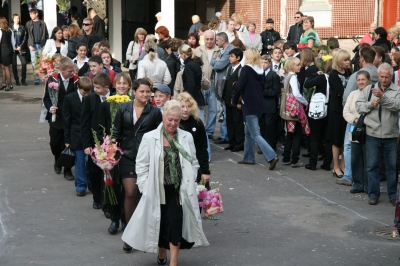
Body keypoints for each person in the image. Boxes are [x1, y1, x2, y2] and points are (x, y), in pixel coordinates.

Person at [121, 100, 209, 264]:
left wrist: (192, 177)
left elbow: (193, 161)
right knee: (160, 223)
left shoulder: (186, 137)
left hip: (178, 190)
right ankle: (162, 252)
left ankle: (173, 262)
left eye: (176, 120)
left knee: (175, 222)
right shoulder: (150, 137)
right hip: (156, 189)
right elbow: (141, 165)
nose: (173, 123)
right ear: (163, 117)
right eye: (170, 119)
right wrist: (144, 186)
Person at [112, 78, 162, 252]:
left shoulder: (155, 112)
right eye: (142, 91)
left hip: (147, 157)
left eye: (148, 92)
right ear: (134, 92)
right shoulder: (123, 108)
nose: (145, 95)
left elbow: (159, 136)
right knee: (131, 192)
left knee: (142, 194)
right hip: (127, 155)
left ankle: (140, 230)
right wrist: (109, 153)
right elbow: (116, 133)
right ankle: (129, 233)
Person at [356, 63, 400, 206]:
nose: (384, 79)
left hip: (390, 134)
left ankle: (393, 195)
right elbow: (359, 106)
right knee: (372, 165)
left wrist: (382, 97)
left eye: (387, 77)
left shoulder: (397, 90)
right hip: (372, 133)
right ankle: (373, 194)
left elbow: (396, 106)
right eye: (381, 76)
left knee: (391, 167)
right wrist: (370, 104)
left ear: (391, 76)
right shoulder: (369, 89)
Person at [231, 48, 279, 169]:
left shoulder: (246, 69)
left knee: (255, 133)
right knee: (248, 132)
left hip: (249, 104)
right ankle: (248, 158)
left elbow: (239, 86)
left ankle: (272, 155)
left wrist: (234, 99)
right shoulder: (261, 70)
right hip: (259, 103)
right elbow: (262, 86)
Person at [97, 72, 131, 235]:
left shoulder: (133, 103)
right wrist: (102, 149)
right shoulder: (106, 104)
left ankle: (125, 219)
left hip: (128, 151)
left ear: (130, 86)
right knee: (112, 185)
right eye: (119, 83)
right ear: (114, 85)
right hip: (110, 152)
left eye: (125, 83)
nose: (122, 86)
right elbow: (99, 128)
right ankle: (114, 219)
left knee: (127, 188)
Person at [81, 72, 115, 217]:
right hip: (94, 141)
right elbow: (84, 122)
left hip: (110, 141)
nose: (94, 90)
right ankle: (97, 198)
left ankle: (107, 201)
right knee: (94, 172)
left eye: (97, 87)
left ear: (106, 87)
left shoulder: (114, 98)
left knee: (108, 173)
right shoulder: (90, 99)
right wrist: (86, 144)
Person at [43, 57, 77, 181]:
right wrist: (50, 107)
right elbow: (46, 98)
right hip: (56, 117)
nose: (72, 73)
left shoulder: (76, 81)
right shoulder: (52, 80)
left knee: (68, 144)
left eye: (73, 71)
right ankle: (57, 160)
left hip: (71, 118)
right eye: (69, 71)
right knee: (55, 143)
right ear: (62, 70)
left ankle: (67, 169)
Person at [62, 76, 91, 196]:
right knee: (79, 163)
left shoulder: (91, 97)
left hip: (89, 135)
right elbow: (66, 120)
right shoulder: (69, 98)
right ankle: (80, 186)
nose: (86, 95)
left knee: (90, 162)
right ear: (78, 88)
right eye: (84, 92)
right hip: (76, 135)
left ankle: (91, 184)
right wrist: (67, 139)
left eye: (88, 92)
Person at [304, 59, 333, 171]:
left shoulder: (322, 77)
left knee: (315, 137)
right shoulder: (336, 77)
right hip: (330, 110)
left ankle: (312, 163)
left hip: (318, 110)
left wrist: (315, 74)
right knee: (327, 138)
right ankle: (327, 163)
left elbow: (307, 84)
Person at [343, 71, 370, 191]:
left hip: (368, 129)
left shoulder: (372, 93)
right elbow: (346, 111)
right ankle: (357, 184)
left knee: (367, 158)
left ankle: (367, 185)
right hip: (354, 128)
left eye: (363, 79)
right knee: (355, 157)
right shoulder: (352, 94)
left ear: (368, 80)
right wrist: (354, 120)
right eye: (358, 80)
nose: (360, 82)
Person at [177, 92, 211, 188]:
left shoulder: (198, 123)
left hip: (194, 164)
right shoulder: (173, 121)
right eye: (182, 106)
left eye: (188, 106)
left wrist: (205, 171)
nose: (185, 110)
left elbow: (202, 148)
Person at [280, 57, 309, 167]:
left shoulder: (287, 76)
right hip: (294, 109)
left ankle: (286, 157)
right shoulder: (293, 77)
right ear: (292, 66)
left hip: (287, 109)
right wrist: (305, 102)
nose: (299, 66)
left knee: (289, 134)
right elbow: (296, 94)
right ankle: (294, 159)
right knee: (296, 134)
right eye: (297, 65)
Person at [328, 50, 352, 179]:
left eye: (348, 60)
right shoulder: (333, 74)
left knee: (345, 139)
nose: (348, 62)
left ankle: (343, 165)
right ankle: (335, 166)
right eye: (345, 60)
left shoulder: (349, 72)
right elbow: (341, 91)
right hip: (336, 109)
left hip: (347, 108)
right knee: (336, 139)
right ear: (339, 61)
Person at [195, 30, 220, 140]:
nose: (209, 41)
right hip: (201, 83)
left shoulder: (219, 50)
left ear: (214, 39)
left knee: (212, 109)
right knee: (200, 108)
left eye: (211, 39)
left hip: (214, 83)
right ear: (203, 39)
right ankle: (200, 129)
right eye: (207, 39)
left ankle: (209, 131)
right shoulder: (197, 50)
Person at [210, 32, 233, 144]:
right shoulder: (222, 51)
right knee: (221, 109)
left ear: (223, 41)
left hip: (224, 82)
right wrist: (216, 60)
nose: (216, 42)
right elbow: (212, 61)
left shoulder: (229, 51)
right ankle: (224, 134)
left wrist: (217, 61)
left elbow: (219, 66)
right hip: (219, 81)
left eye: (217, 40)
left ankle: (226, 136)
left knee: (223, 108)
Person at [221, 48, 244, 152]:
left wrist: (239, 102)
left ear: (238, 58)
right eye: (230, 56)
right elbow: (226, 84)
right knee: (229, 122)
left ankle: (239, 144)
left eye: (232, 56)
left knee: (237, 122)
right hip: (228, 100)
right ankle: (232, 142)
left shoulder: (241, 70)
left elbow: (242, 87)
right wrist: (223, 98)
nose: (230, 58)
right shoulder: (229, 69)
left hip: (236, 101)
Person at [259, 54, 280, 151]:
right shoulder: (258, 74)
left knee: (269, 126)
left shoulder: (273, 75)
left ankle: (271, 146)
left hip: (270, 104)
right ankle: (263, 146)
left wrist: (263, 92)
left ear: (269, 63)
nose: (263, 64)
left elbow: (276, 91)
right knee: (262, 125)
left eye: (265, 62)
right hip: (260, 105)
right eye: (262, 62)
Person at [179, 44, 205, 116]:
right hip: (198, 96)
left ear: (183, 54)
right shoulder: (195, 64)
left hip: (192, 98)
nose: (180, 56)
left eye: (180, 54)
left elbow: (191, 84)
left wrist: (187, 100)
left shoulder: (189, 66)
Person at [25, 8, 48, 85]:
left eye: (32, 14)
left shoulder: (42, 23)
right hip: (32, 45)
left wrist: (45, 45)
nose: (31, 16)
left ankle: (44, 78)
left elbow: (46, 35)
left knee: (42, 63)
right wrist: (29, 45)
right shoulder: (28, 24)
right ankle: (36, 79)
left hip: (41, 45)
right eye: (30, 14)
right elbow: (26, 36)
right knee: (34, 63)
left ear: (36, 14)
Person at [11, 14, 27, 86]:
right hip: (13, 49)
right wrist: (13, 47)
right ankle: (16, 80)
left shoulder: (22, 27)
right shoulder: (10, 28)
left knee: (24, 63)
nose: (17, 20)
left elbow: (25, 38)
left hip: (21, 48)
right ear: (13, 19)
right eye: (15, 18)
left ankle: (23, 80)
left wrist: (21, 46)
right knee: (14, 65)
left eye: (18, 18)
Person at [0, 17, 14, 91]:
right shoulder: (10, 30)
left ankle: (10, 84)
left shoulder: (0, 31)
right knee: (3, 67)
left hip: (3, 50)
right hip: (9, 50)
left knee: (6, 68)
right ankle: (3, 83)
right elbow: (13, 42)